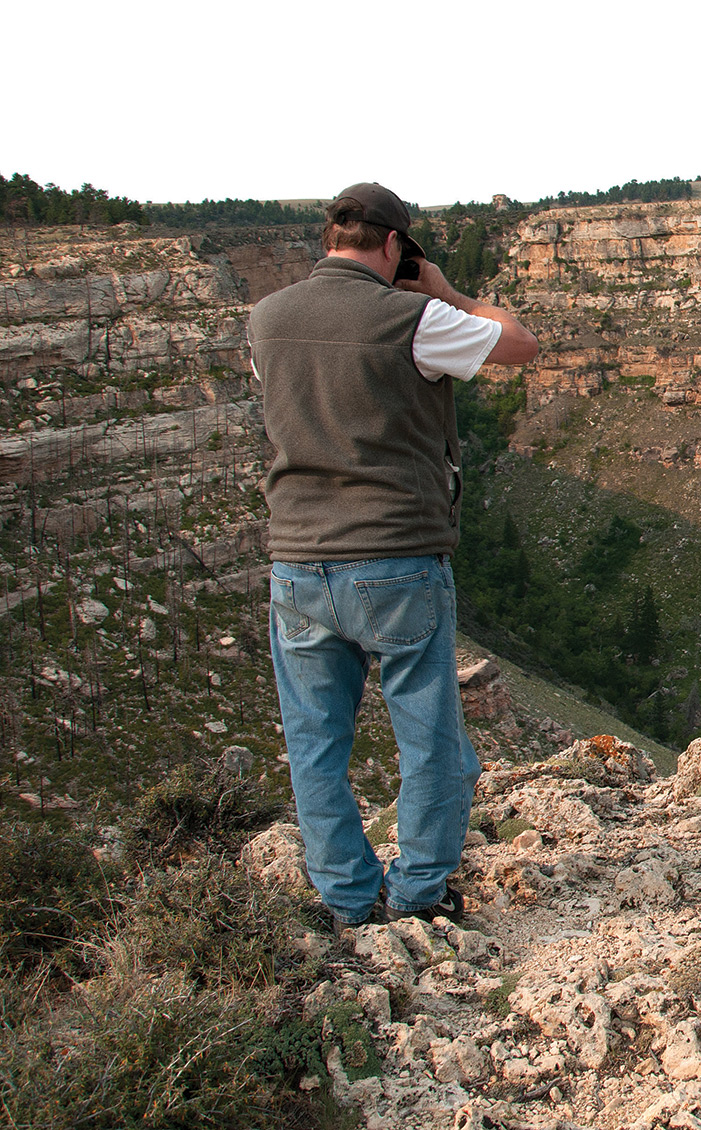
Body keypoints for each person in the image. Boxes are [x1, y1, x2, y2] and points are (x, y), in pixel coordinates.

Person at [250, 183, 538, 926]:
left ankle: (347, 898)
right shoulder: (414, 317)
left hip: (296, 563)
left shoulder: (268, 319)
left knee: (315, 744)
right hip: (395, 558)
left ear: (328, 239)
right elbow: (520, 343)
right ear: (393, 247)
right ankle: (417, 896)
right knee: (427, 735)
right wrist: (448, 290)